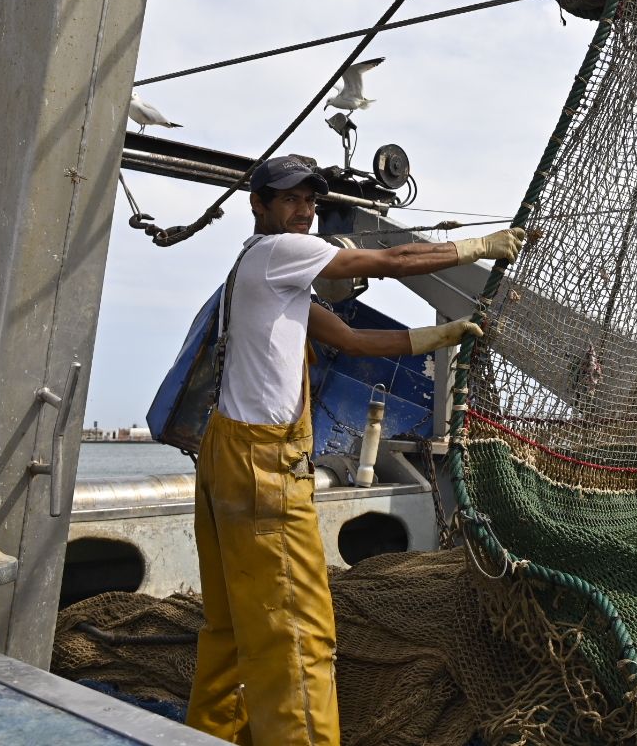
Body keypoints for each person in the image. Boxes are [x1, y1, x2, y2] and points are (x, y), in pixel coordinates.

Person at [186, 156, 525, 744]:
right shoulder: (278, 253)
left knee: (233, 628)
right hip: (263, 467)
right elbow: (390, 261)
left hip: (226, 458)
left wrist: (434, 336)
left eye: (310, 200)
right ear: (258, 205)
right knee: (297, 631)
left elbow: (349, 339)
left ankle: (211, 734)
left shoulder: (260, 274)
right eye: (289, 198)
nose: (303, 211)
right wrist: (478, 247)